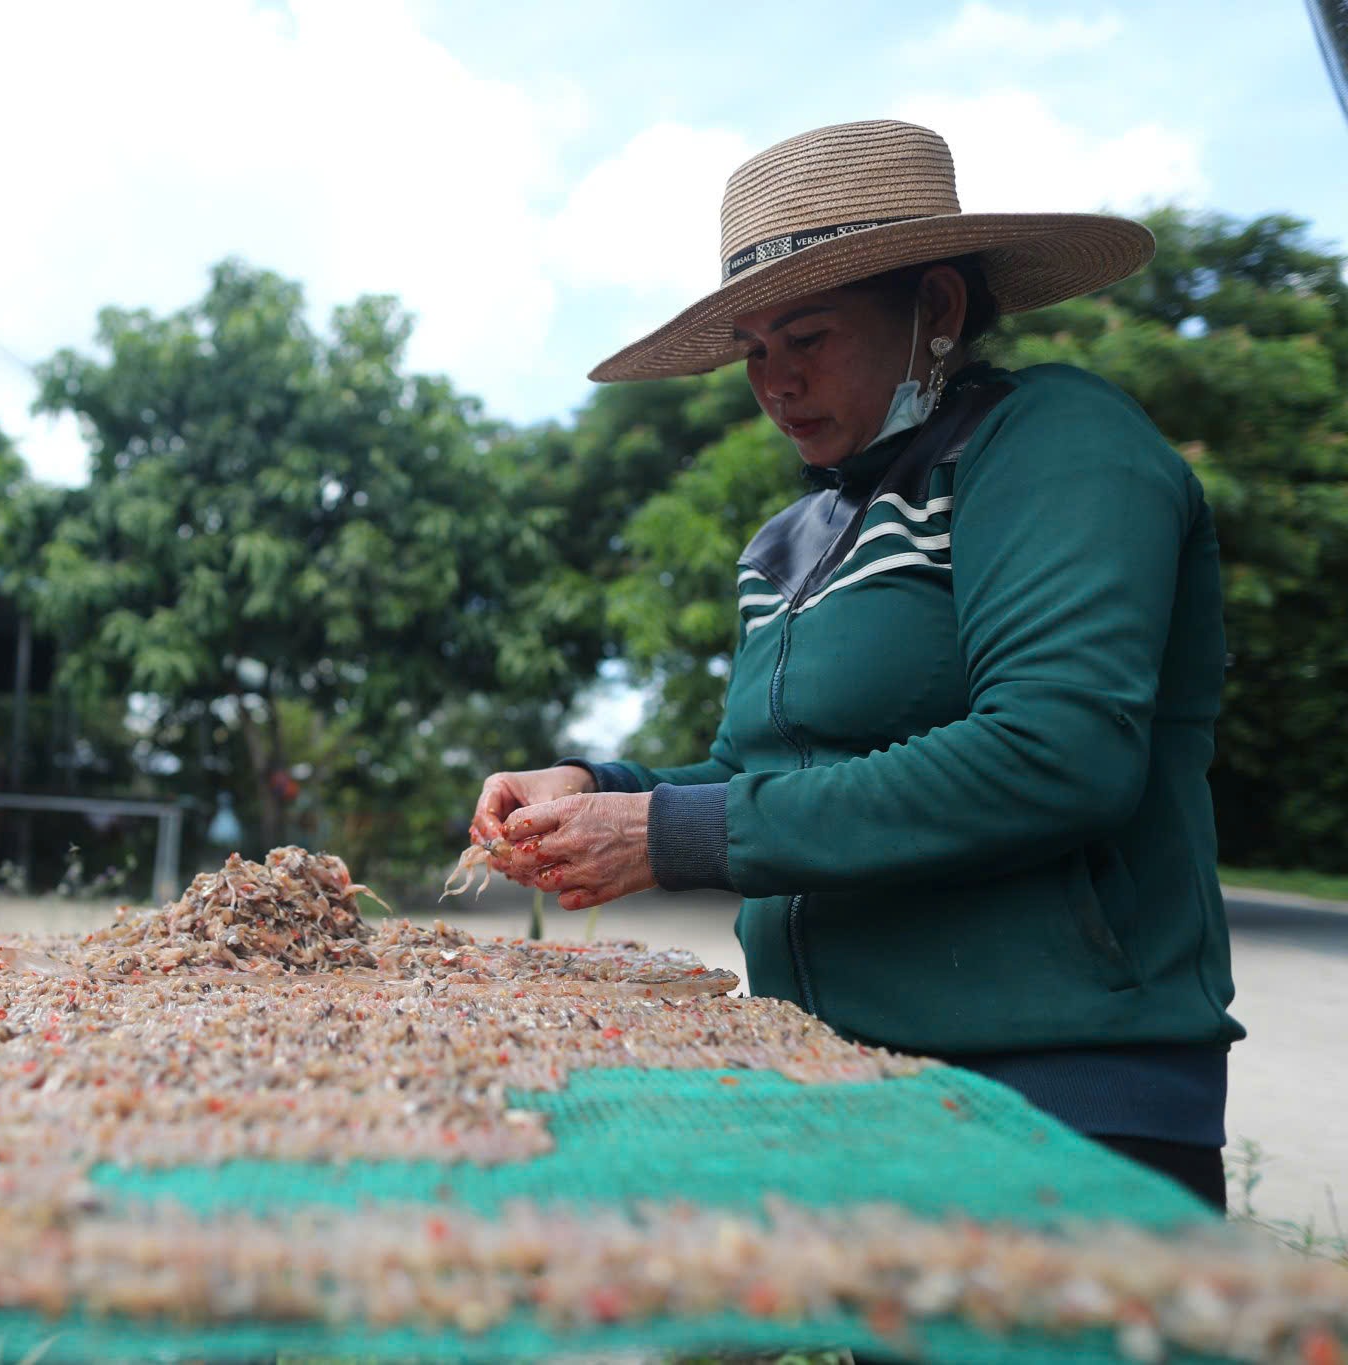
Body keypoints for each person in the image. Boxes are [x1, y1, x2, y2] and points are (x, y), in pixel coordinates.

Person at [470, 120, 1241, 1210]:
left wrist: (671, 836)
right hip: (836, 1075)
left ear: (936, 307)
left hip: (1058, 1094)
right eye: (750, 350)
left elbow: (1054, 754)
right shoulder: (793, 539)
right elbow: (760, 775)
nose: (772, 382)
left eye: (809, 336)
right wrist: (602, 793)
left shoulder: (1056, 444)